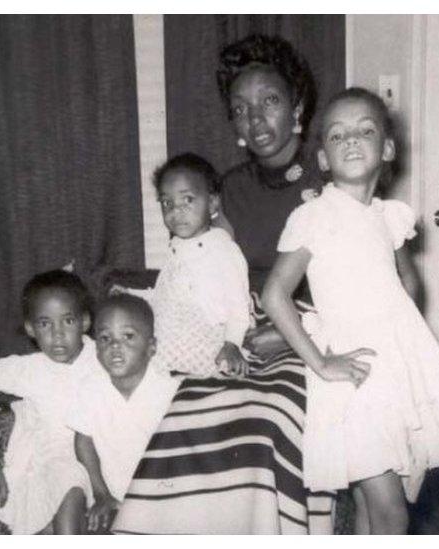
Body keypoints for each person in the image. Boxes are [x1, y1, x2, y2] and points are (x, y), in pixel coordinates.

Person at [111, 33, 334, 535]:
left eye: (270, 102)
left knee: (261, 422)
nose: (256, 120)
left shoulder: (331, 174)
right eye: (241, 109)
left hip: (317, 337)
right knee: (184, 413)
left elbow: (361, 283)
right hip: (249, 335)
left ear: (297, 106)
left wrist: (292, 334)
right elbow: (215, 272)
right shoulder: (228, 190)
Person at [262, 88, 439, 534]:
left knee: (375, 503)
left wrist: (405, 338)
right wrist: (321, 361)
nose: (350, 140)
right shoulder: (315, 216)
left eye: (365, 131)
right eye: (337, 134)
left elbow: (409, 282)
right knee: (390, 510)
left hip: (392, 370)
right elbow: (274, 295)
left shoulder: (390, 216)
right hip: (353, 374)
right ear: (323, 158)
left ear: (386, 149)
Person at [0, 270, 98, 534]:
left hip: (103, 461)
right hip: (54, 465)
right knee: (70, 484)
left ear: (85, 321)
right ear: (30, 328)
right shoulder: (25, 369)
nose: (58, 335)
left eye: (67, 321)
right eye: (45, 324)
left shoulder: (103, 356)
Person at [122, 153, 251, 378]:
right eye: (166, 202)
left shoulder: (223, 249)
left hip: (206, 337)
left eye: (187, 199)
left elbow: (238, 306)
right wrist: (132, 296)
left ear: (212, 202)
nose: (175, 210)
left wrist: (232, 344)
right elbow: (167, 292)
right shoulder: (175, 246)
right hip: (171, 333)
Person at [68, 294, 181, 533]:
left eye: (128, 336)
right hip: (110, 499)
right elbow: (83, 442)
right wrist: (101, 494)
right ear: (96, 347)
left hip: (162, 501)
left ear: (151, 347)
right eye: (105, 338)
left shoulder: (170, 392)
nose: (115, 346)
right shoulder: (90, 388)